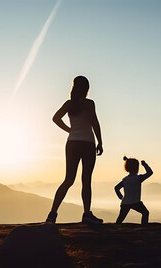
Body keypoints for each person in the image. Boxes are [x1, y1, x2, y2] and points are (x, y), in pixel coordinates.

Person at [46, 75, 104, 224]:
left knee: (68, 180)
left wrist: (70, 130)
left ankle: (52, 214)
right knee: (86, 180)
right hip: (87, 143)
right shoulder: (89, 103)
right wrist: (100, 142)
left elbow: (56, 118)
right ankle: (86, 214)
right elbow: (95, 123)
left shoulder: (69, 104)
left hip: (72, 143)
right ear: (86, 89)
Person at [114, 156, 153, 224]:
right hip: (136, 202)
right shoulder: (138, 178)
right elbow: (150, 173)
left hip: (125, 203)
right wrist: (144, 164)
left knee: (120, 219)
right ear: (137, 168)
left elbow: (116, 188)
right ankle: (144, 228)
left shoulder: (125, 179)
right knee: (145, 213)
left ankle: (114, 230)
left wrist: (120, 196)